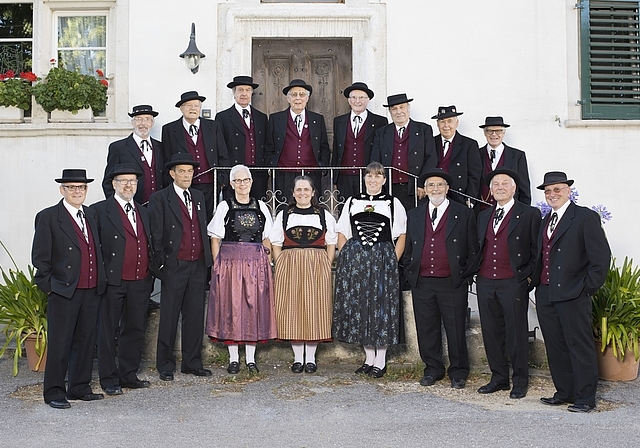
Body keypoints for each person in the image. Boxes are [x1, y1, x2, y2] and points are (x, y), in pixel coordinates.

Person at [533, 171, 611, 413]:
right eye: (548, 191)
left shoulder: (585, 217)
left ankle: (585, 397)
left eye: (557, 189)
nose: (552, 194)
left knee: (579, 345)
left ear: (568, 191)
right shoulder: (546, 220)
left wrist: (585, 288)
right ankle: (564, 392)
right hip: (546, 293)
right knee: (556, 345)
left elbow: (600, 259)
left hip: (573, 293)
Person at [32, 169, 106, 409]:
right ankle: (54, 392)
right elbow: (41, 260)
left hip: (91, 289)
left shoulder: (91, 214)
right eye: (72, 187)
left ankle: (79, 387)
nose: (78, 191)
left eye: (82, 187)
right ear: (62, 190)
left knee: (86, 341)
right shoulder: (49, 217)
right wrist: (51, 287)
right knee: (61, 342)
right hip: (64, 291)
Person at [403, 168, 477, 389]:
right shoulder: (414, 214)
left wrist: (464, 274)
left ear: (447, 188)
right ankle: (432, 369)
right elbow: (409, 247)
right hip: (422, 281)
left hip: (451, 281)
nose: (435, 188)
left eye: (440, 184)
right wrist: (410, 269)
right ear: (424, 190)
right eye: (431, 185)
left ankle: (458, 371)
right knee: (426, 328)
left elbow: (473, 248)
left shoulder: (463, 213)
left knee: (455, 328)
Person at [333, 162, 407, 378]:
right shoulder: (352, 202)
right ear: (364, 179)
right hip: (357, 262)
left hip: (382, 260)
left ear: (384, 180)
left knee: (380, 308)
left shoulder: (393, 203)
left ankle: (380, 360)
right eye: (369, 176)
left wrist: (392, 260)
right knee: (361, 306)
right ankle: (368, 358)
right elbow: (342, 232)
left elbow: (401, 235)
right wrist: (347, 256)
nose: (373, 180)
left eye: (378, 176)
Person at [473, 168, 541, 399]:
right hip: (485, 281)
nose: (499, 187)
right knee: (491, 332)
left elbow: (536, 250)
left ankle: (520, 380)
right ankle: (499, 378)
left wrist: (528, 277)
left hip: (513, 281)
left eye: (504, 183)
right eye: (495, 184)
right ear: (490, 191)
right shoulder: (483, 215)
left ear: (514, 188)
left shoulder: (529, 214)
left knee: (516, 332)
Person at [92, 163, 156, 396]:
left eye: (133, 181)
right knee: (108, 330)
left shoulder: (143, 211)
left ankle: (128, 374)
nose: (129, 185)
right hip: (113, 281)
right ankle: (108, 378)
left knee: (135, 328)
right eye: (124, 181)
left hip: (140, 281)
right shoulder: (100, 210)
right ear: (114, 184)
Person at [206, 165, 276, 374]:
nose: (242, 184)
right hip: (230, 263)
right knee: (232, 308)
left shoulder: (261, 206)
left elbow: (267, 237)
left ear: (251, 182)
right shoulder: (224, 207)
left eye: (246, 180)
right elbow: (216, 237)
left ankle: (251, 359)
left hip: (255, 263)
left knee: (253, 306)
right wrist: (217, 264)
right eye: (238, 181)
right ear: (232, 184)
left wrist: (267, 261)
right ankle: (234, 358)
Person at [148, 153, 213, 381]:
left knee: (194, 315)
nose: (187, 175)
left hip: (197, 265)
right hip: (174, 265)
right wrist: (163, 264)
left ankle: (192, 362)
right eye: (182, 171)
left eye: (190, 171)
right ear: (172, 174)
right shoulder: (160, 198)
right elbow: (155, 235)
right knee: (169, 315)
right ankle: (165, 364)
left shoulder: (197, 196)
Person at [270, 176, 337, 373]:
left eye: (306, 189)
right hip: (290, 264)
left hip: (317, 264)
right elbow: (275, 241)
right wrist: (280, 262)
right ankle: (298, 358)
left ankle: (311, 358)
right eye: (298, 190)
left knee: (315, 308)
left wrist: (327, 262)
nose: (302, 193)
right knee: (294, 308)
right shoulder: (284, 214)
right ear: (293, 193)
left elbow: (331, 241)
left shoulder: (323, 214)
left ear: (313, 192)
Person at [161, 91, 230, 221]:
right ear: (181, 108)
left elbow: (223, 155)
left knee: (209, 221)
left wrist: (221, 180)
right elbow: (166, 158)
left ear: (200, 108)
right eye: (188, 105)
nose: (193, 109)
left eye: (196, 105)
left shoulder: (213, 126)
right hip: (183, 184)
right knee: (185, 219)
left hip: (210, 185)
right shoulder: (169, 129)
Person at [265, 79, 330, 207]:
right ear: (288, 99)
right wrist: (270, 166)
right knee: (284, 210)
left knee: (313, 210)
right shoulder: (275, 118)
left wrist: (323, 167)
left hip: (311, 174)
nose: (298, 98)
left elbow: (324, 146)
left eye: (302, 94)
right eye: (294, 95)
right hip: (284, 175)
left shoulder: (318, 119)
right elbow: (268, 146)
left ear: (307, 98)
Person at [370, 93, 437, 211]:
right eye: (394, 109)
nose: (398, 111)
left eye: (402, 107)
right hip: (389, 187)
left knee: (415, 222)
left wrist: (422, 183)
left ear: (408, 108)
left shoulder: (423, 129)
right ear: (390, 112)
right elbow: (375, 161)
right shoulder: (381, 133)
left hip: (415, 188)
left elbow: (431, 158)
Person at [331, 82, 387, 202]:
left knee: (368, 210)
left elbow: (382, 150)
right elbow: (336, 149)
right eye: (354, 97)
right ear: (349, 100)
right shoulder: (339, 121)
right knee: (345, 209)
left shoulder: (380, 121)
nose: (357, 101)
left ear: (368, 100)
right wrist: (334, 178)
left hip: (368, 176)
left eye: (361, 98)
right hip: (344, 177)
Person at [216, 75, 269, 201]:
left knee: (257, 207)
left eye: (247, 90)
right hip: (234, 173)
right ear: (234, 93)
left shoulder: (261, 117)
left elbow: (267, 144)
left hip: (258, 172)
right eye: (240, 90)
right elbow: (220, 147)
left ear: (251, 93)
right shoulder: (222, 117)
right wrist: (224, 175)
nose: (244, 93)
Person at [102, 105, 166, 205]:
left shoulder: (161, 147)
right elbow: (108, 182)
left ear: (152, 123)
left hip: (158, 207)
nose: (143, 123)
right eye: (138, 119)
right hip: (133, 207)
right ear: (132, 123)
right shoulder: (118, 148)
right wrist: (117, 206)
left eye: (147, 119)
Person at [431, 105, 481, 207]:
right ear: (437, 124)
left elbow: (474, 175)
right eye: (442, 121)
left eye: (449, 121)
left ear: (456, 123)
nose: (446, 125)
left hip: (459, 198)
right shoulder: (430, 142)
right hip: (434, 196)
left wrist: (470, 199)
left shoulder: (469, 144)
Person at [477, 117, 530, 210]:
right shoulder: (476, 154)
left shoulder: (517, 156)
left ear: (504, 133)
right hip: (481, 212)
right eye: (490, 131)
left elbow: (524, 189)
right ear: (484, 133)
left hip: (510, 211)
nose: (494, 134)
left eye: (498, 131)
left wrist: (522, 213)